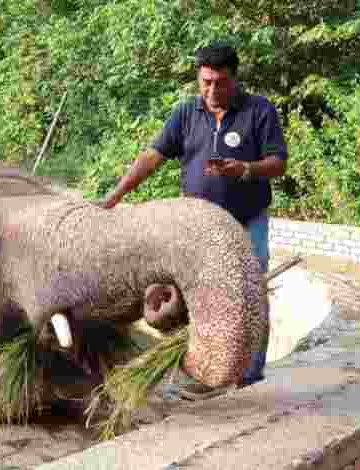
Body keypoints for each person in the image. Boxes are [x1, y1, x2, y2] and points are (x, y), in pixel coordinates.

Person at [96, 42, 288, 389]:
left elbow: (278, 163)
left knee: (253, 294)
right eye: (206, 82)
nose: (213, 90)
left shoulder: (260, 111)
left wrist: (243, 169)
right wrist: (115, 196)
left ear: (235, 79)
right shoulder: (186, 113)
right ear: (198, 79)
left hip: (247, 221)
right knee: (195, 296)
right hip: (197, 228)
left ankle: (250, 373)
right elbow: (152, 156)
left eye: (221, 82)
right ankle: (203, 369)